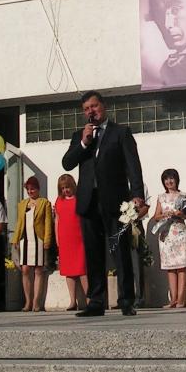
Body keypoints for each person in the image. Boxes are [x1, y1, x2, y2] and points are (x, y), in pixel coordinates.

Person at [62, 90, 145, 317]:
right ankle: (96, 301)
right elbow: (67, 163)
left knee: (120, 251)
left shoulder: (121, 133)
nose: (91, 111)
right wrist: (84, 142)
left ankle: (126, 300)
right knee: (93, 253)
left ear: (103, 106)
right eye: (86, 109)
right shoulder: (80, 136)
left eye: (94, 106)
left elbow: (133, 166)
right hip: (88, 202)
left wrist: (137, 194)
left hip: (115, 202)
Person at [151, 168, 186, 308]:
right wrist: (164, 214)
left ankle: (181, 300)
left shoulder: (184, 196)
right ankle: (173, 299)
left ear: (176, 180)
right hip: (166, 234)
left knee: (181, 266)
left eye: (171, 178)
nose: (169, 181)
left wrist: (181, 215)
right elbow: (156, 216)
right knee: (170, 267)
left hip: (180, 233)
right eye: (166, 179)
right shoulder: (161, 197)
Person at [13, 176, 53, 312]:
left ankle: (36, 302)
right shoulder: (22, 204)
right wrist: (15, 239)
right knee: (25, 270)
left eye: (33, 189)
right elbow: (19, 223)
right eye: (28, 189)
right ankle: (28, 301)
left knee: (38, 270)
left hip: (38, 239)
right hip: (25, 240)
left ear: (38, 189)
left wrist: (47, 240)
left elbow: (48, 223)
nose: (30, 192)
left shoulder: (44, 203)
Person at [54, 173, 87, 311]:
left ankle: (89, 299)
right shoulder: (59, 201)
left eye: (67, 187)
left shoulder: (79, 199)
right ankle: (72, 301)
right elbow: (57, 220)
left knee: (83, 270)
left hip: (79, 238)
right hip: (65, 239)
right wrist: (57, 238)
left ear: (73, 185)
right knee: (69, 271)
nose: (65, 190)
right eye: (62, 188)